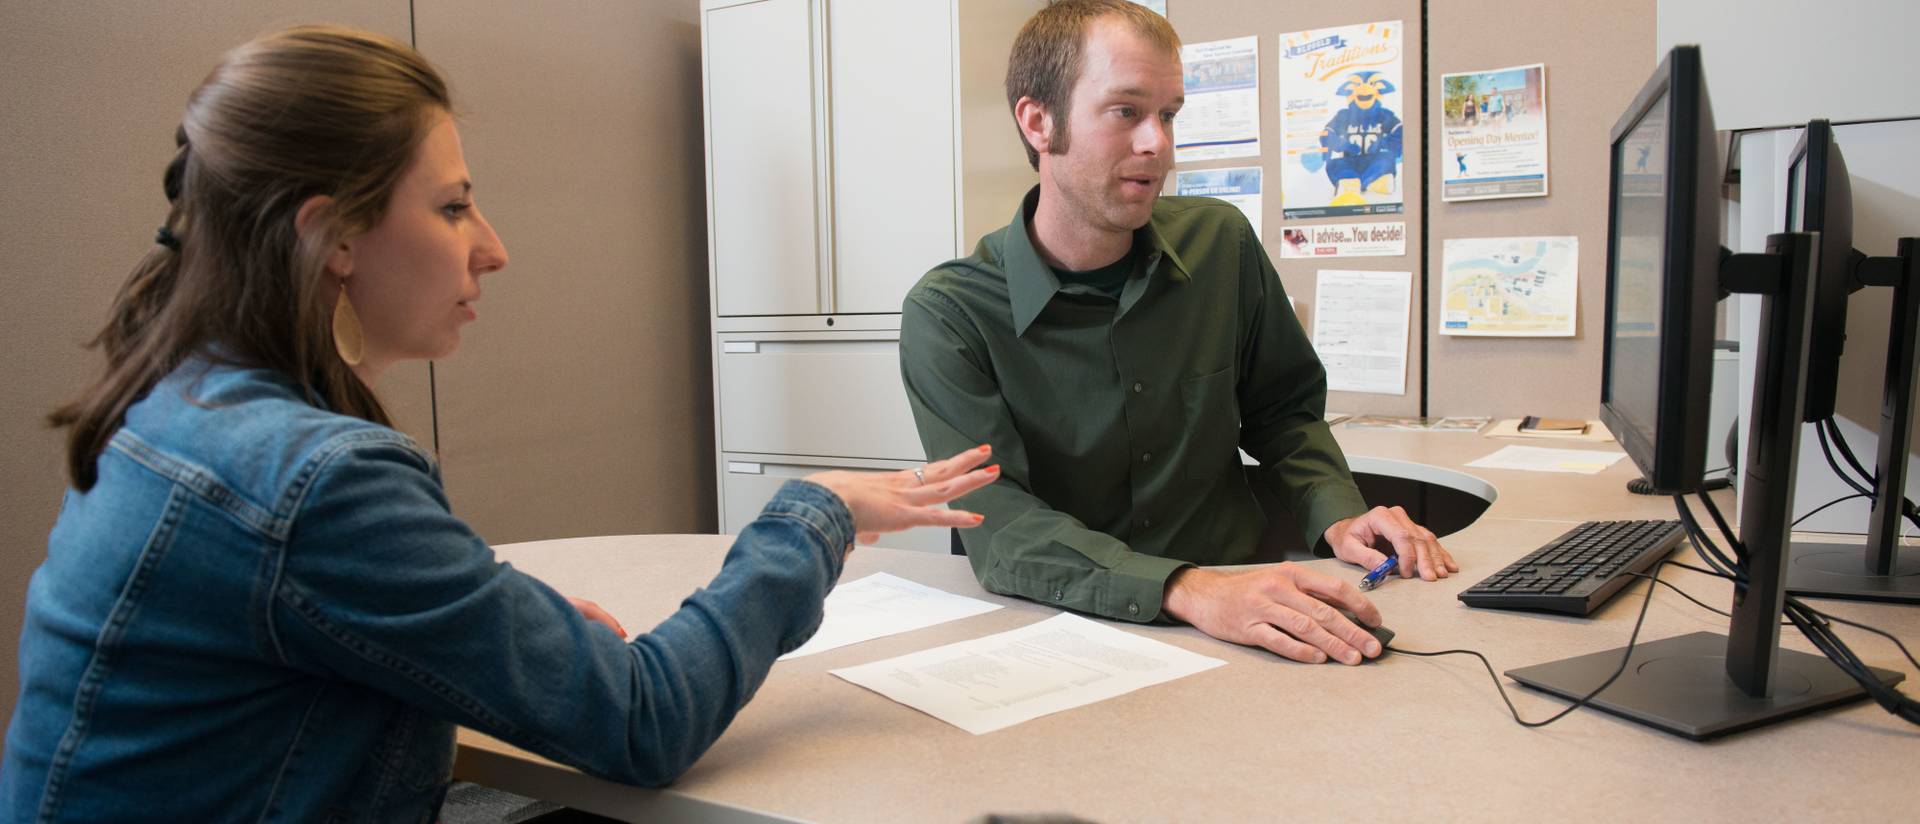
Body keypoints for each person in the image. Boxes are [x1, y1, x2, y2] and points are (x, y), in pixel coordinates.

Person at [1, 26, 997, 821]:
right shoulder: (314, 480)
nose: (494, 249)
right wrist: (811, 512)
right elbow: (644, 718)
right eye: (453, 207)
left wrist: (490, 615)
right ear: (331, 235)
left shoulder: (183, 402)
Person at [898, 0, 1457, 668]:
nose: (1156, 143)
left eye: (1169, 114)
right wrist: (1189, 589)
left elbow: (1283, 413)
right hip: (1063, 638)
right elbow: (1002, 522)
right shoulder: (950, 314)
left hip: (1253, 624)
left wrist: (1335, 515)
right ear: (1038, 122)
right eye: (1126, 111)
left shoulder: (1221, 244)